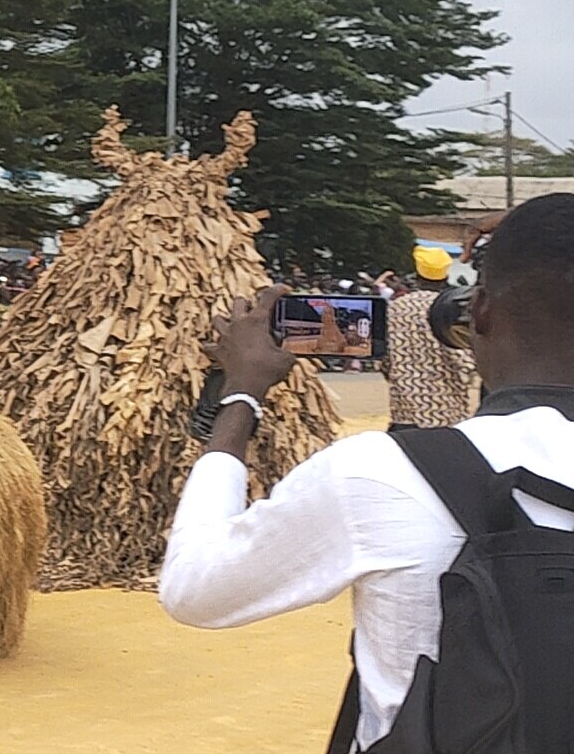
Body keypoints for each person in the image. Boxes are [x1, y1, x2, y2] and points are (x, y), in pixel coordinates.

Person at [159, 194, 574, 751]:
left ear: (479, 312)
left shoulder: (378, 474)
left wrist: (241, 396)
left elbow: (195, 588)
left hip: (429, 443)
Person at [383, 246, 479, 429]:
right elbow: (466, 359)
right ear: (445, 277)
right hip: (447, 412)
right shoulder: (451, 310)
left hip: (405, 411)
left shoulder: (395, 307)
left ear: (417, 276)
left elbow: (385, 358)